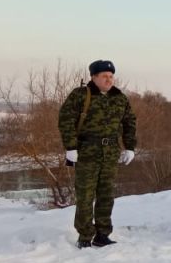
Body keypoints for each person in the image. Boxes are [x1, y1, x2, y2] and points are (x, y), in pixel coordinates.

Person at [58, 59, 137, 248]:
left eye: (111, 76)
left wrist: (130, 147)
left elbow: (129, 122)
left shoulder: (119, 98)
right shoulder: (81, 95)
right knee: (85, 195)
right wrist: (71, 147)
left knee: (106, 195)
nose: (109, 79)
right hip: (87, 152)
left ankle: (102, 234)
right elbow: (65, 120)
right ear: (94, 77)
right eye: (104, 76)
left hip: (110, 153)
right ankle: (85, 236)